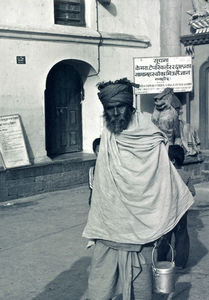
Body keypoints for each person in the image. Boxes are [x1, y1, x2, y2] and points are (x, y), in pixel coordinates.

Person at [82, 78, 194, 300]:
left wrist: (161, 218)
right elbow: (104, 176)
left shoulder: (149, 133)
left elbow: (163, 177)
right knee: (99, 289)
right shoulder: (108, 133)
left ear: (130, 106)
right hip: (110, 226)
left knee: (141, 290)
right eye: (109, 109)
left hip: (142, 229)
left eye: (119, 107)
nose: (114, 113)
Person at [157, 145, 196, 269]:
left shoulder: (165, 174)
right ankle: (180, 263)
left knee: (164, 236)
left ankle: (161, 260)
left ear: (172, 160)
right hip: (181, 211)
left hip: (167, 211)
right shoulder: (186, 174)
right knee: (182, 236)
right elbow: (192, 192)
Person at [88, 138, 101, 206]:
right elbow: (92, 185)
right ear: (95, 152)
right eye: (98, 151)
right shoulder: (93, 168)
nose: (101, 153)